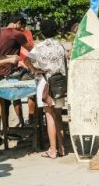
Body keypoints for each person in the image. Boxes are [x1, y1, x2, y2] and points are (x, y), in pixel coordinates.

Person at [24, 19, 67, 159]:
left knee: (49, 116)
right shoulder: (60, 46)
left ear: (42, 31)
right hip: (59, 82)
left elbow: (26, 60)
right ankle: (62, 147)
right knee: (58, 115)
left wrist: (35, 70)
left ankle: (52, 150)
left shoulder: (39, 47)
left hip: (46, 83)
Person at [0, 14, 34, 130]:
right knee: (33, 91)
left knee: (6, 101)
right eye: (23, 27)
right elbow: (32, 49)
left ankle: (6, 128)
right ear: (17, 23)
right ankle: (31, 123)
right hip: (13, 71)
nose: (23, 30)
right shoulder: (16, 34)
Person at [16, 16, 37, 125]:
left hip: (22, 66)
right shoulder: (25, 33)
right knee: (30, 93)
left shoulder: (26, 33)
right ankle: (27, 120)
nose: (23, 28)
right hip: (23, 66)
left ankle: (27, 119)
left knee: (24, 95)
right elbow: (31, 50)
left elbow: (31, 49)